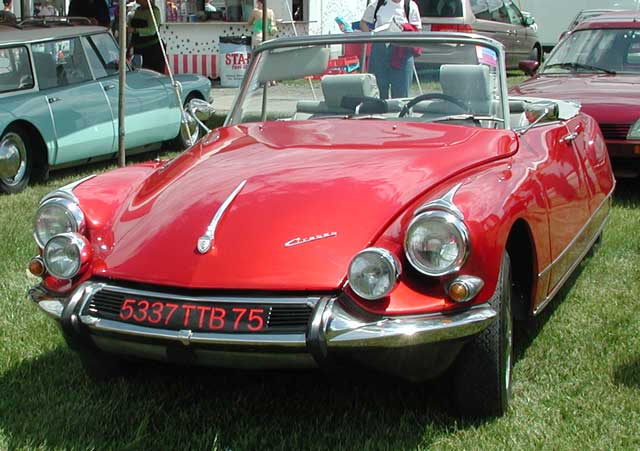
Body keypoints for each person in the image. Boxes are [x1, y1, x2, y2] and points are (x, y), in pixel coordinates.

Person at [360, 0, 422, 100]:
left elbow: (418, 31)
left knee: (401, 96)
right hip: (379, 50)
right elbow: (363, 23)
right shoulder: (377, 4)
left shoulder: (410, 6)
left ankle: (400, 114)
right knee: (377, 92)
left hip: (402, 52)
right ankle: (378, 114)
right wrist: (371, 36)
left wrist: (404, 31)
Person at [129, 0, 165, 73]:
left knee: (154, 73)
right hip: (138, 48)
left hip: (152, 49)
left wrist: (135, 30)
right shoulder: (138, 10)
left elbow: (152, 30)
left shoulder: (154, 11)